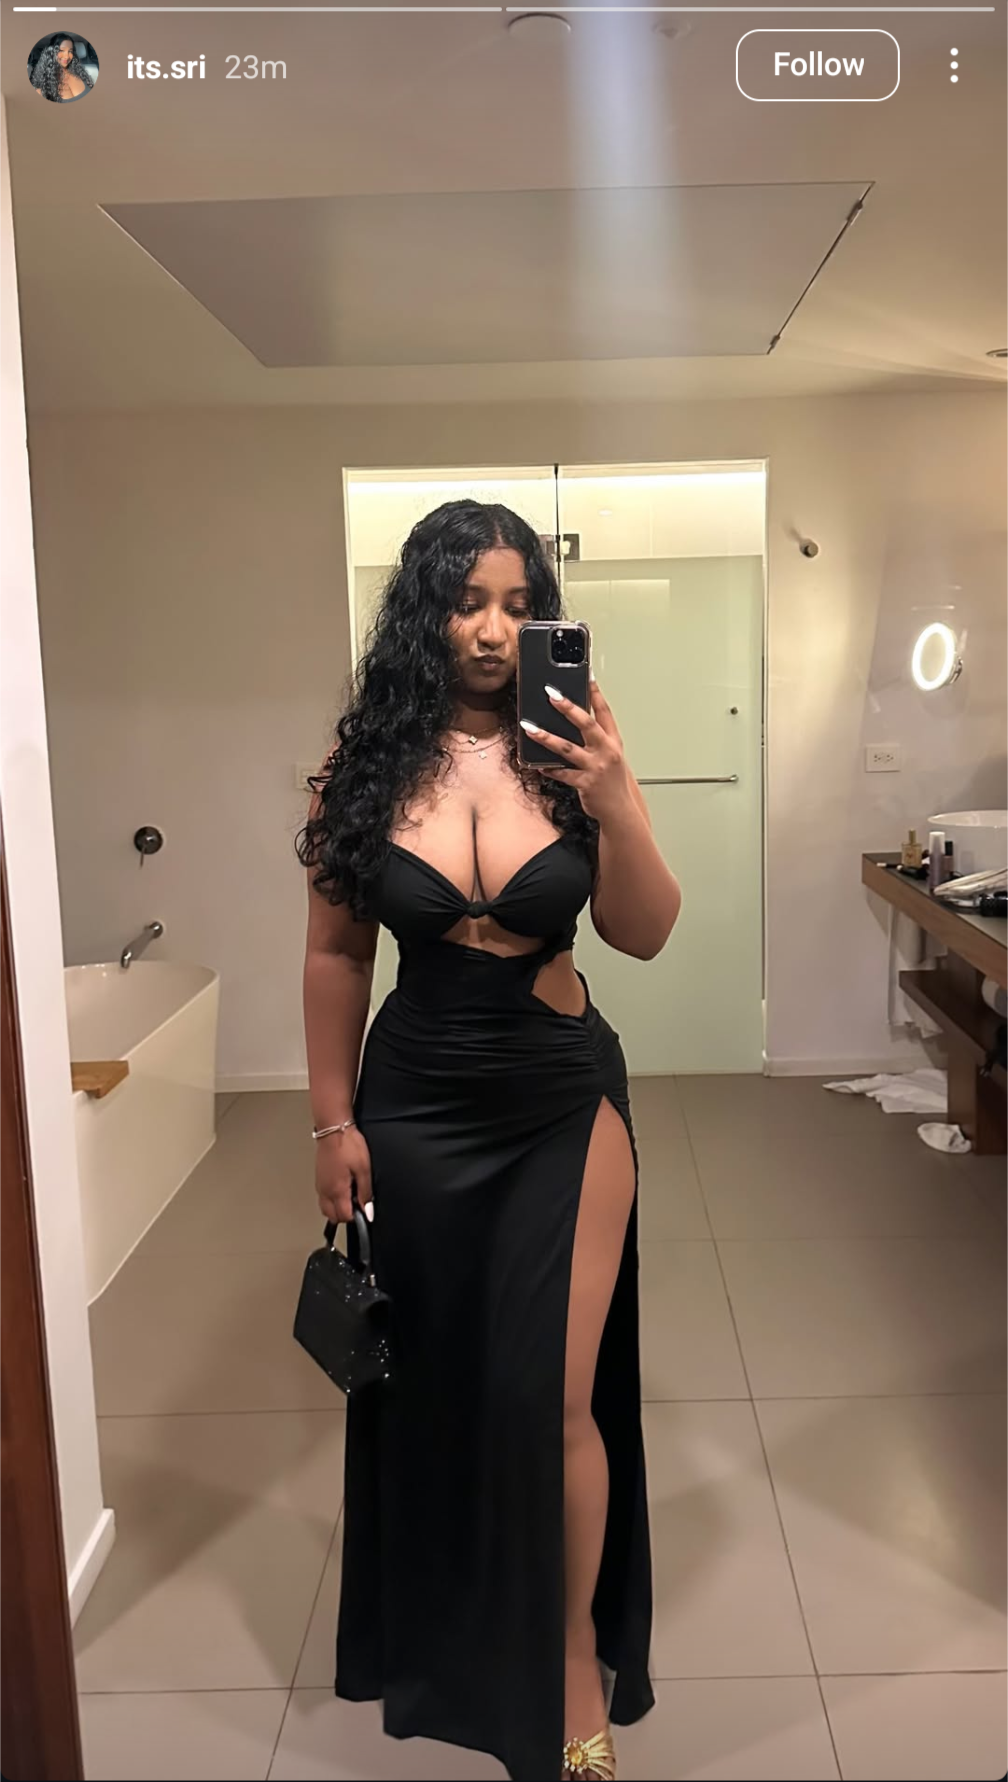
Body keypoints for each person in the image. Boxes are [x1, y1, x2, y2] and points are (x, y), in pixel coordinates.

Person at [296, 500, 681, 1781]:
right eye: (467, 601)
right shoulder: (365, 766)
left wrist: (616, 798)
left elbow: (644, 932)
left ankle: (569, 1661)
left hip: (561, 1100)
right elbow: (335, 953)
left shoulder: (573, 749)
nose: (492, 628)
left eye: (519, 604)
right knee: (438, 1385)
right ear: (427, 612)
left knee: (551, 1395)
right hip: (413, 1109)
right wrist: (332, 1119)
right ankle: (454, 1626)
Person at [30, 38, 93, 103]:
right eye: (61, 50)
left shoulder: (82, 74)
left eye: (70, 51)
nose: (67, 56)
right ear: (52, 52)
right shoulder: (44, 88)